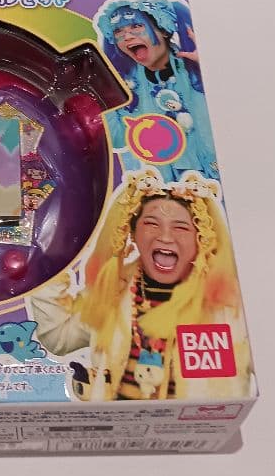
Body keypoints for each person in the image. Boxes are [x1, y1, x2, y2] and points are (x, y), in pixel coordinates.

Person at [31, 169, 252, 400]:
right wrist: (51, 259)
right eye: (151, 224)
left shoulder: (228, 303)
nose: (165, 237)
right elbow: (58, 337)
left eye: (180, 227)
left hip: (195, 419)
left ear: (201, 237)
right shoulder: (113, 289)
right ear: (133, 232)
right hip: (118, 420)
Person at [94, 0, 218, 182]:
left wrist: (211, 66)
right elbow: (117, 140)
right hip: (159, 184)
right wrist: (104, 96)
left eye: (136, 26)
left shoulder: (194, 71)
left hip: (213, 180)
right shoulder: (124, 87)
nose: (127, 36)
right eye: (118, 31)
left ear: (164, 30)